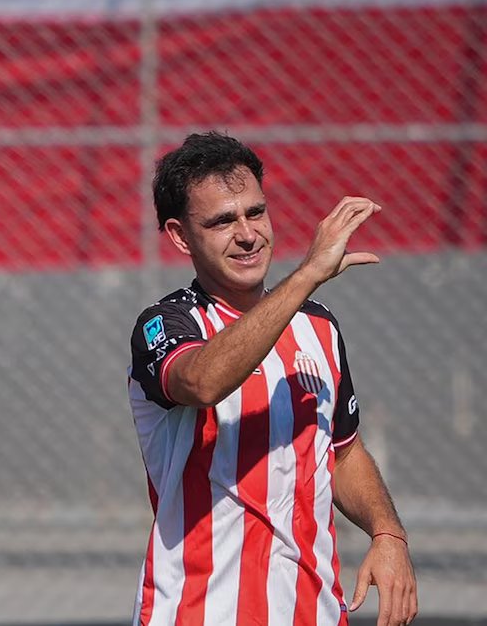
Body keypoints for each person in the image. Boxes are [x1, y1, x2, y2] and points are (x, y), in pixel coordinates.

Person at [127, 133, 418, 626]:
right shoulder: (167, 324)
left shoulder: (319, 326)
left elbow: (342, 452)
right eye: (222, 221)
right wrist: (307, 274)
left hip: (315, 612)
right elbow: (202, 382)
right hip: (200, 613)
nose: (247, 234)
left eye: (256, 213)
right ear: (180, 236)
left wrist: (388, 533)